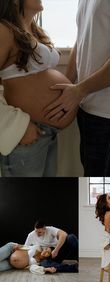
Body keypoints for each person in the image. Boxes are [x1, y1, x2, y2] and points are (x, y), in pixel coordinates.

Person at [0, 0, 77, 177]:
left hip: (47, 133)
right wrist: (20, 127)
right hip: (26, 134)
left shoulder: (32, 30)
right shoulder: (4, 30)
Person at [44, 0, 110, 177]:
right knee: (91, 173)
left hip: (109, 112)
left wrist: (80, 90)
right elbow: (82, 38)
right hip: (86, 107)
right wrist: (69, 85)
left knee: (102, 179)